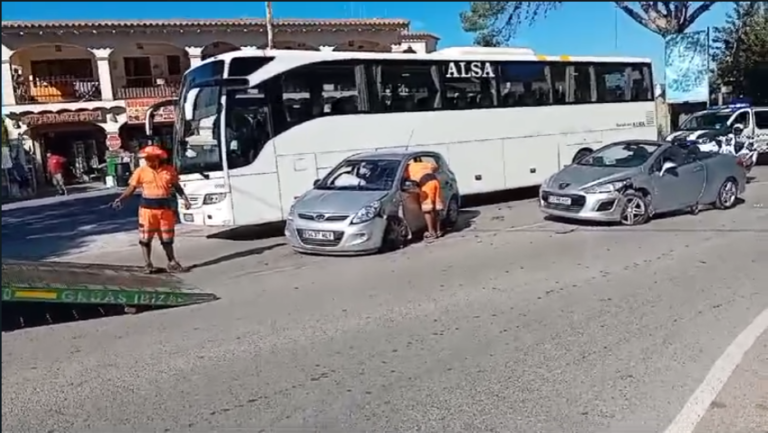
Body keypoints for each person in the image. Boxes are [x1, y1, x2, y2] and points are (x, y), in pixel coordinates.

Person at [111, 146, 192, 274]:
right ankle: (148, 264)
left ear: (158, 159)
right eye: (146, 159)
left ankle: (172, 262)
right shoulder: (141, 171)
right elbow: (131, 188)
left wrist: (185, 199)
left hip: (165, 210)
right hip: (147, 211)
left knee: (167, 239)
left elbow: (177, 187)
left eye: (150, 159)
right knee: (145, 239)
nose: (148, 161)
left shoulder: (169, 170)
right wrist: (121, 199)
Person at [405, 159, 444, 241]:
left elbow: (405, 180)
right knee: (436, 208)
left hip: (425, 183)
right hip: (435, 181)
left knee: (427, 209)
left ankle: (431, 232)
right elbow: (435, 167)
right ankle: (438, 231)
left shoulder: (407, 168)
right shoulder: (424, 164)